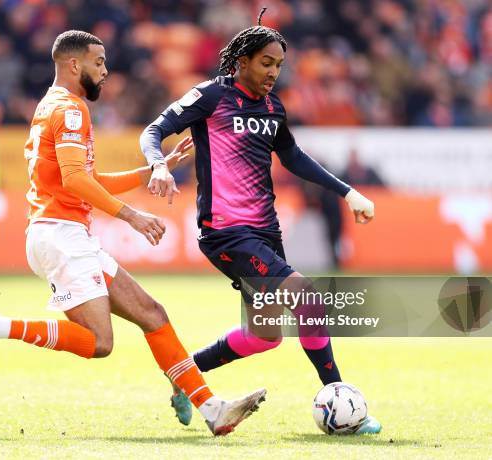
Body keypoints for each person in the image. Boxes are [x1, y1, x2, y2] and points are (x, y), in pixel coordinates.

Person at [0, 30, 266, 436]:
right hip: (61, 235)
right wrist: (132, 216)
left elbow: (88, 177)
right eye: (98, 62)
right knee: (99, 342)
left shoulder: (54, 106)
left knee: (152, 315)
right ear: (73, 65)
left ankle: (212, 410)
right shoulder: (69, 110)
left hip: (65, 234)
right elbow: (74, 181)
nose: (105, 71)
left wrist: (153, 168)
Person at [140, 11, 381, 434]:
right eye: (266, 63)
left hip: (265, 233)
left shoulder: (273, 108)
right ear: (242, 61)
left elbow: (293, 157)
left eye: (279, 65)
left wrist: (347, 191)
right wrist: (158, 165)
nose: (273, 72)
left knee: (264, 336)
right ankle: (342, 401)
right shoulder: (210, 97)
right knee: (308, 299)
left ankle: (184, 374)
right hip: (226, 232)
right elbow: (153, 132)